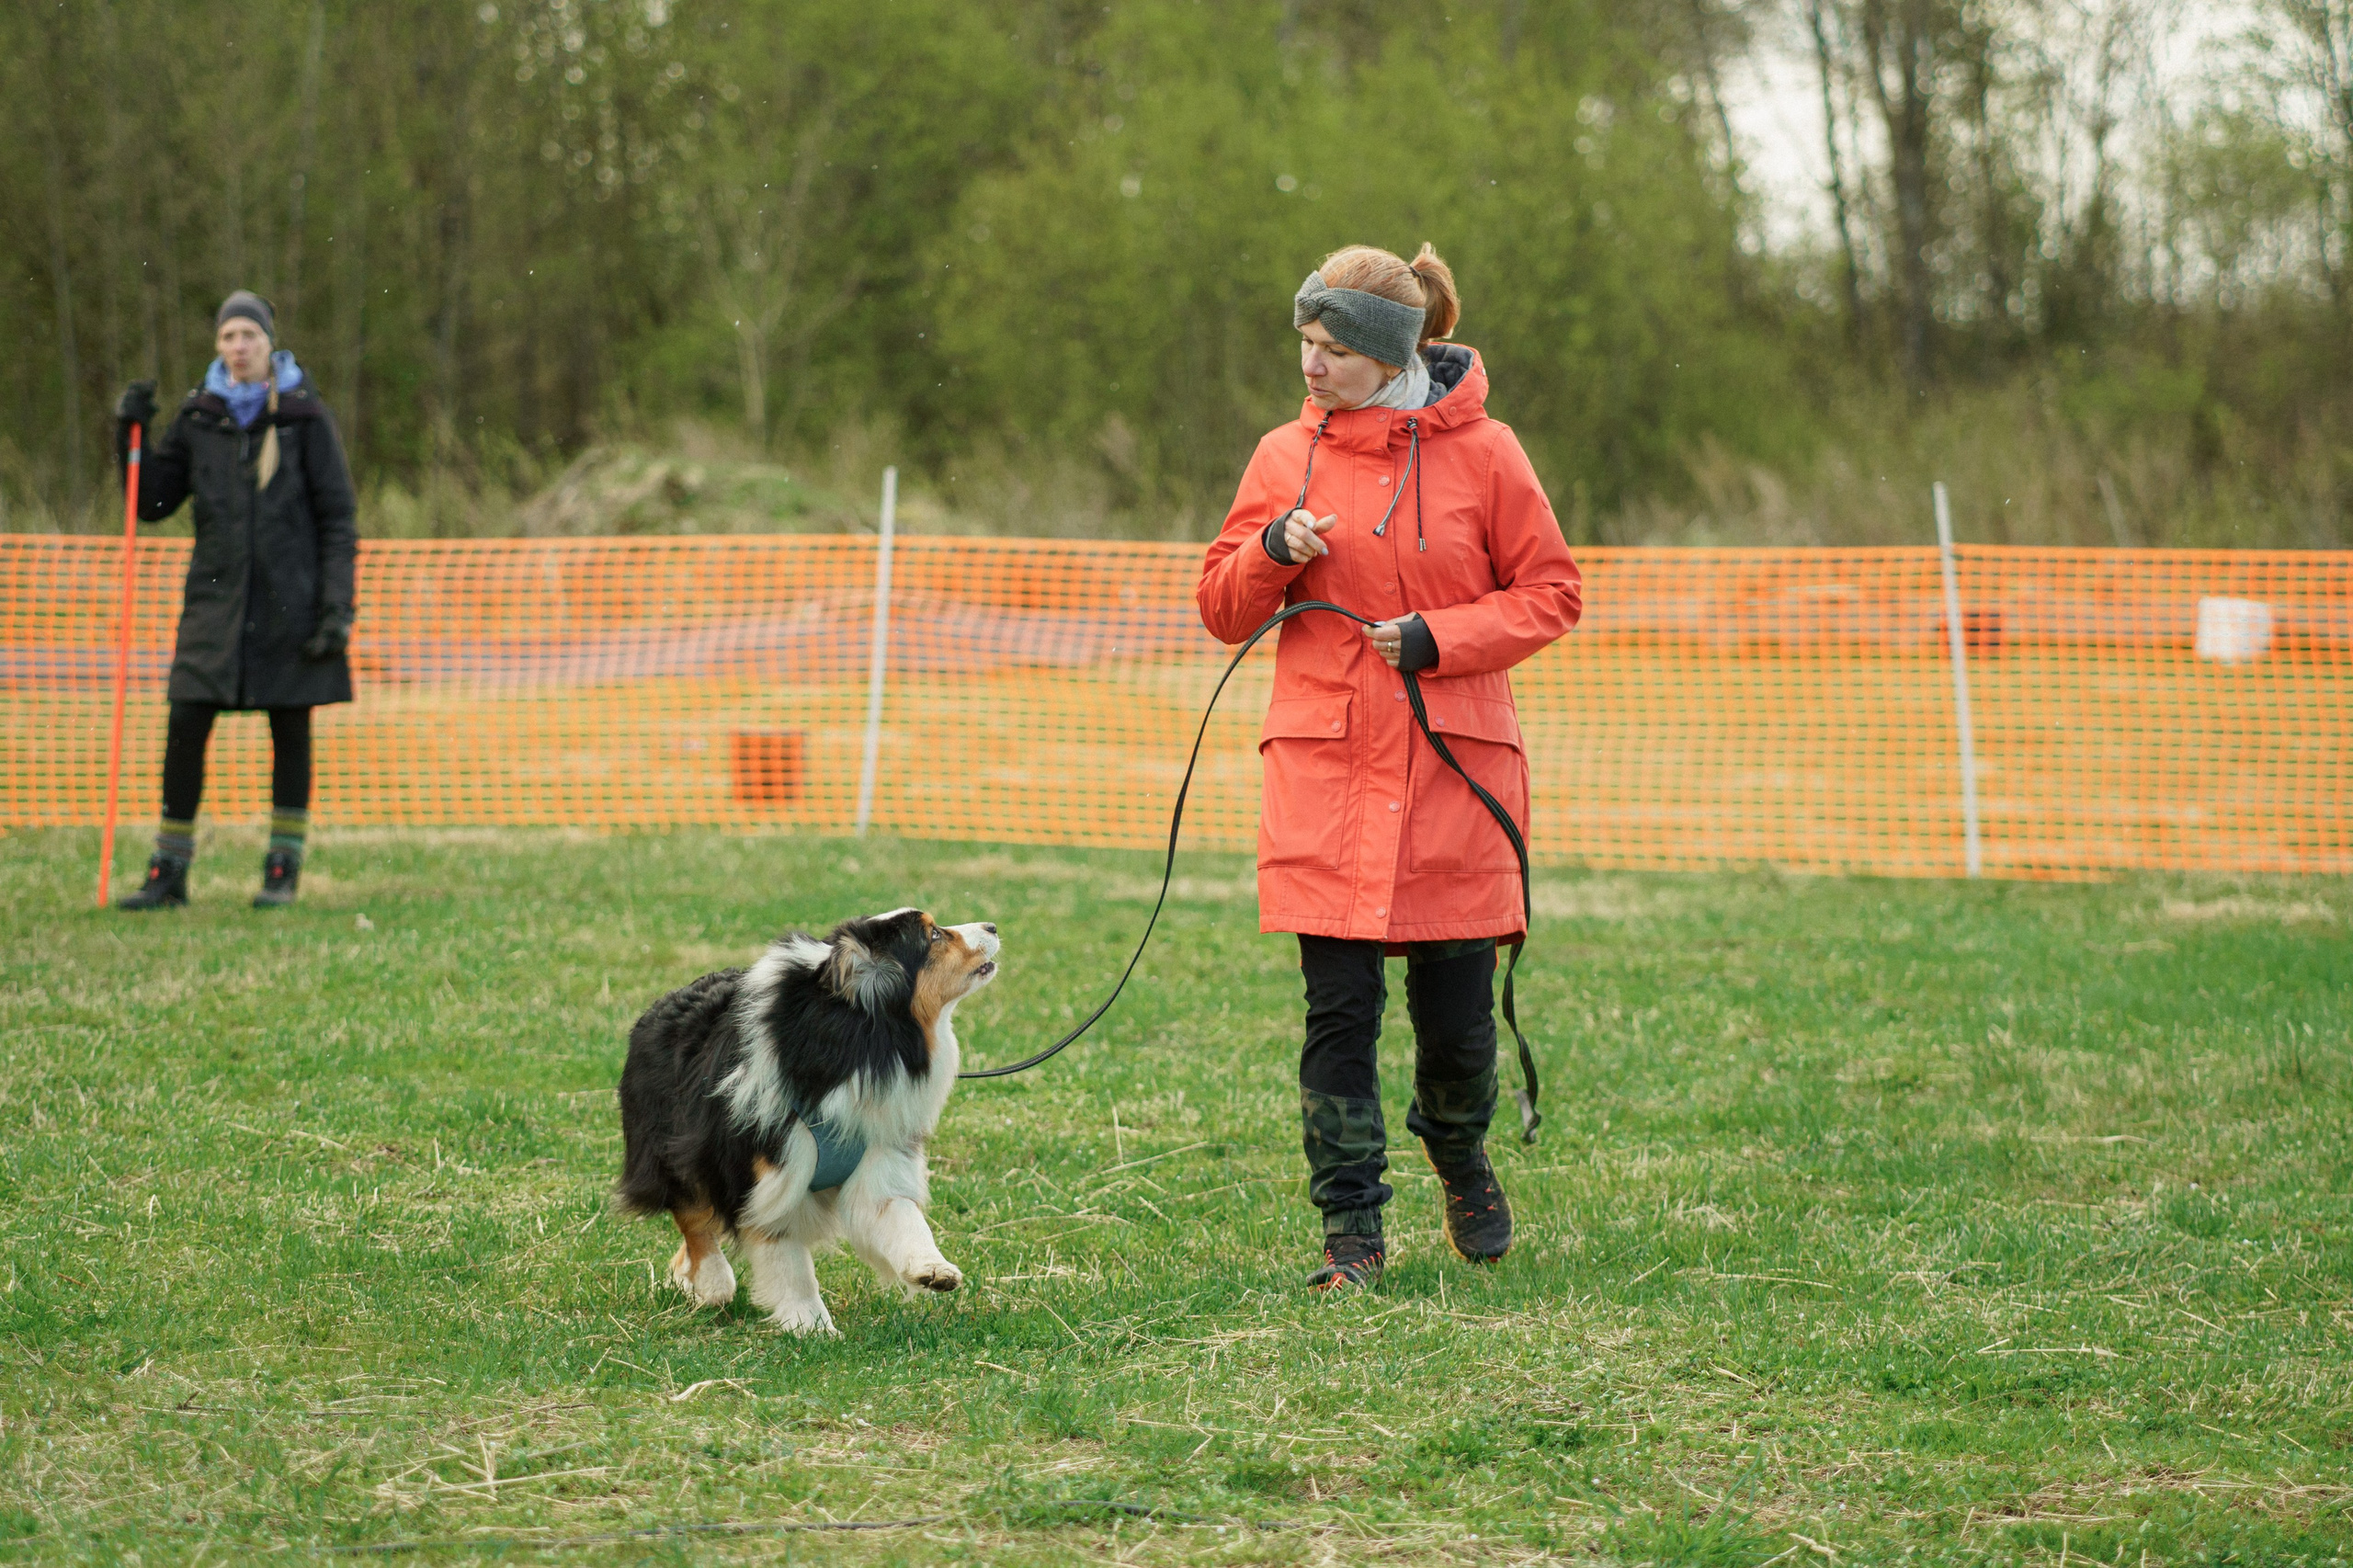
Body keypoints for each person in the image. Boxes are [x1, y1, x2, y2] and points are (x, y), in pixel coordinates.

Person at [1197, 244, 1582, 1290]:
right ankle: (1351, 1232)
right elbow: (1220, 605)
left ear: (1384, 352)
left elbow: (1552, 592)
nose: (1310, 367)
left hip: (1455, 778)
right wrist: (1273, 548)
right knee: (1338, 1015)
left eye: (1329, 349)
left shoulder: (1490, 453)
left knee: (1455, 1028)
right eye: (1305, 346)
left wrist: (1439, 638)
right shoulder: (1282, 453)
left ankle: (1458, 1150)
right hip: (1326, 778)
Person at [112, 290, 358, 911]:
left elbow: (337, 518)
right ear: (218, 347)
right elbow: (152, 502)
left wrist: (336, 606)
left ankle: (282, 868)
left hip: (291, 604)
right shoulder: (199, 419)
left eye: (248, 335)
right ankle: (168, 872)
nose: (239, 347)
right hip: (214, 606)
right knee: (186, 725)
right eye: (228, 337)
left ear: (268, 342)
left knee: (289, 730)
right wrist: (130, 433)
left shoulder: (305, 418)